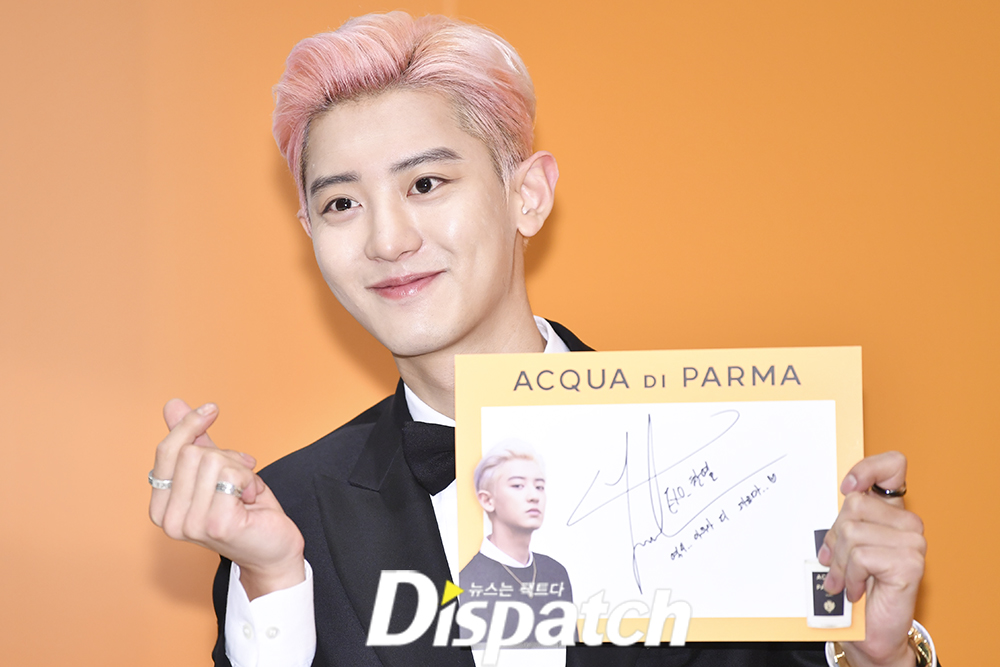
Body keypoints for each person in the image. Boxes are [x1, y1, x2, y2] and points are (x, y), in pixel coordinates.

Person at [147, 11, 935, 667]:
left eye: (426, 183)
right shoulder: (287, 518)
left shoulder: (734, 463)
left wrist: (880, 658)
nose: (387, 239)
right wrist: (276, 580)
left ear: (526, 195)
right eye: (342, 204)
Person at [459, 442, 574, 648]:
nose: (534, 496)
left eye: (539, 487)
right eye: (518, 485)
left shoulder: (556, 572)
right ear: (487, 500)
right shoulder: (465, 583)